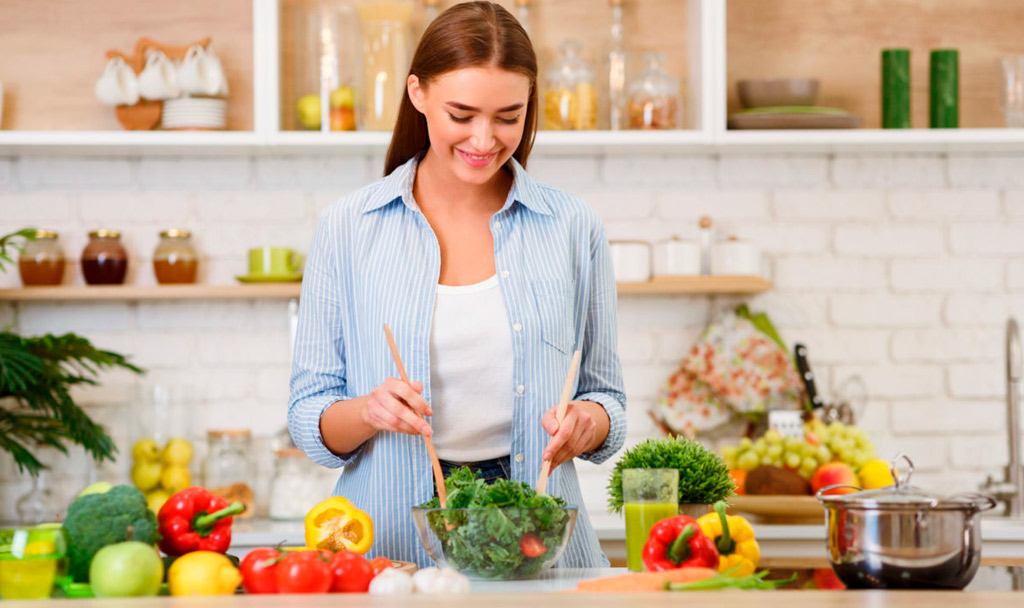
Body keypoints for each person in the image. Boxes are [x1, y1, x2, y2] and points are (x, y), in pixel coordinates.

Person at [288, 0, 625, 568]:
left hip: (539, 544)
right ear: (417, 94)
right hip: (392, 544)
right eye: (461, 114)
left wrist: (586, 425)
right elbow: (308, 415)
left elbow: (605, 397)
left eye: (508, 117)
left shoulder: (572, 226)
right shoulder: (349, 226)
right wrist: (370, 410)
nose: (484, 139)